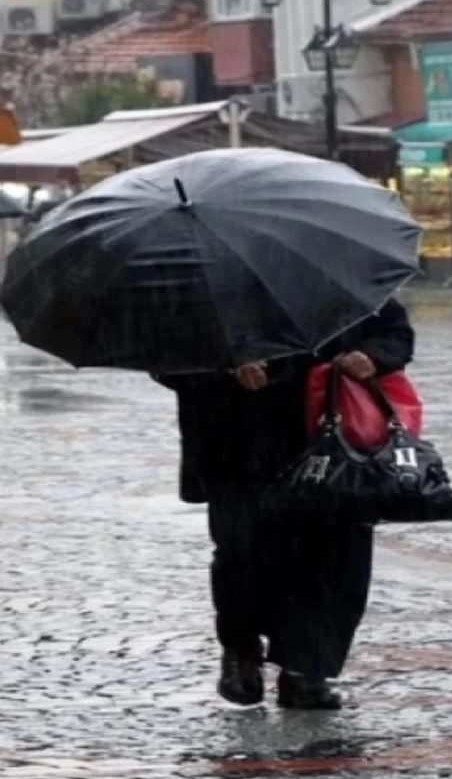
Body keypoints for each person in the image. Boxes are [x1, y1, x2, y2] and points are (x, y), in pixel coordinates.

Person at [156, 299, 415, 709]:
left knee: (335, 557)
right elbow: (166, 356)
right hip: (236, 448)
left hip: (331, 441)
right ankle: (242, 653)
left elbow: (395, 333)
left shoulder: (337, 269)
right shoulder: (198, 283)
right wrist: (226, 369)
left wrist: (372, 357)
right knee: (242, 555)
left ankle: (306, 669)